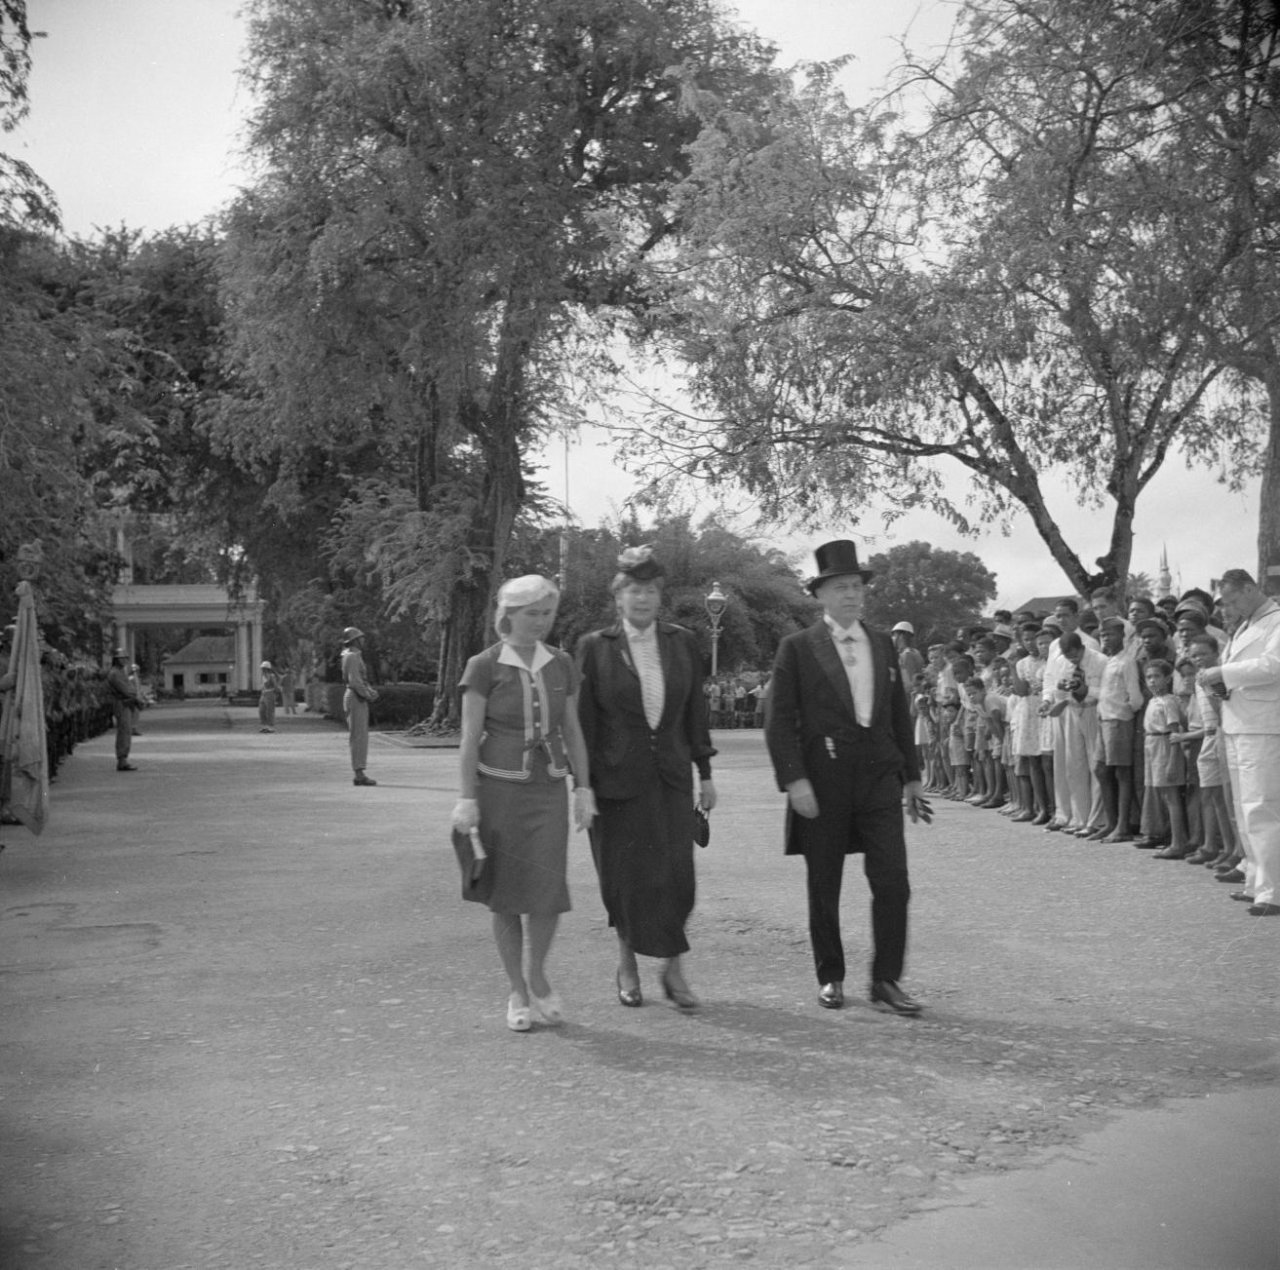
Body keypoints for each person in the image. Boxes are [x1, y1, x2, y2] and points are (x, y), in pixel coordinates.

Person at [764, 540, 931, 1017]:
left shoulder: (881, 643)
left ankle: (886, 980)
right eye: (840, 587)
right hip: (823, 780)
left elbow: (897, 713)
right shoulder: (798, 648)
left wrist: (912, 776)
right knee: (825, 882)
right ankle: (830, 974)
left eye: (857, 586)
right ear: (820, 594)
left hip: (878, 778)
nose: (852, 595)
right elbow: (778, 721)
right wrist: (795, 781)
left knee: (893, 880)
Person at [576, 546, 717, 1008]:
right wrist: (582, 786)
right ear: (618, 597)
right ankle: (627, 962)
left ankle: (673, 967)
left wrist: (705, 773)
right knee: (625, 879)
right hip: (616, 784)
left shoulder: (682, 642)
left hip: (671, 779)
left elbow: (695, 713)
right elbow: (583, 723)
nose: (642, 599)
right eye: (634, 590)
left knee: (678, 877)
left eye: (651, 591)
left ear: (661, 597)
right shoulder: (595, 647)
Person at [452, 575, 594, 1031]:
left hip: (547, 789)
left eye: (547, 613)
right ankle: (517, 989)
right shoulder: (483, 665)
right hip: (499, 791)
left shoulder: (562, 663)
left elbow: (572, 730)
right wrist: (466, 798)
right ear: (508, 615)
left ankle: (537, 973)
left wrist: (583, 787)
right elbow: (470, 737)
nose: (540, 622)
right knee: (507, 896)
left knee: (548, 893)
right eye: (532, 613)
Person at [1195, 569, 1280, 916]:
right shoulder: (1245, 626)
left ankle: (1273, 890)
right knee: (1245, 810)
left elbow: (1274, 666)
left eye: (1232, 601)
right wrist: (1219, 683)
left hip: (1263, 725)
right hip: (1238, 723)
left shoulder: (1276, 621)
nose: (1228, 609)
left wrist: (1222, 673)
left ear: (1249, 589)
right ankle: (1256, 881)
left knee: (1262, 807)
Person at [1094, 616, 1144, 843]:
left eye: (1110, 634)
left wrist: (1124, 712)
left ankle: (1123, 826)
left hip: (1119, 721)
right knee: (1101, 770)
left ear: (1122, 636)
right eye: (1103, 635)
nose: (1106, 639)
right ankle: (1111, 822)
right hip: (1103, 719)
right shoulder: (1109, 661)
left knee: (1122, 773)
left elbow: (1135, 698)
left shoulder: (1127, 662)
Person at [1142, 659, 1191, 858]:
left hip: (1164, 745)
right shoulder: (1153, 701)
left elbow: (1174, 731)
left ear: (1168, 678)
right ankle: (1173, 837)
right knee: (1163, 795)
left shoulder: (1169, 701)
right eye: (1148, 677)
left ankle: (1178, 842)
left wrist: (1172, 761)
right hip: (1152, 745)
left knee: (1171, 796)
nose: (1152, 681)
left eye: (1157, 676)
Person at [340, 627, 379, 787]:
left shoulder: (352, 655)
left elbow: (360, 680)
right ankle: (359, 773)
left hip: (357, 696)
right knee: (358, 737)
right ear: (354, 640)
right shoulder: (352, 656)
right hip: (356, 697)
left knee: (361, 736)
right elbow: (355, 681)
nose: (363, 640)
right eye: (360, 638)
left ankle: (360, 771)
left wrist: (369, 690)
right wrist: (368, 694)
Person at [105, 650, 141, 772]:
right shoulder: (115, 673)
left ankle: (123, 758)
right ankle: (122, 759)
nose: (125, 660)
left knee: (126, 731)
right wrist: (135, 696)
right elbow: (126, 690)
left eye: (126, 658)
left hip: (126, 703)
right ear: (116, 659)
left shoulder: (121, 672)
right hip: (121, 703)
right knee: (124, 731)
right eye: (122, 658)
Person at [258, 660, 279, 733]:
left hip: (270, 693)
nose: (262, 669)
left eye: (264, 668)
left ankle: (270, 727)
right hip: (263, 694)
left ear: (267, 669)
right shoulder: (262, 676)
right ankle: (264, 726)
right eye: (262, 668)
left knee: (270, 711)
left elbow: (275, 686)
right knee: (261, 710)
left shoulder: (271, 676)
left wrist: (275, 693)